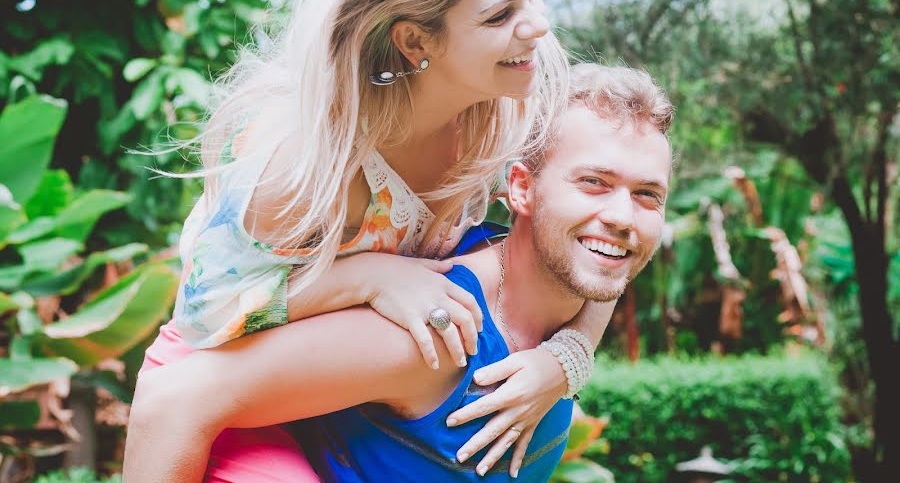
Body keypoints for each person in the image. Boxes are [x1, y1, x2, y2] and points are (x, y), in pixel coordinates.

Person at [127, 0, 618, 480]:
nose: (537, 26)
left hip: (348, 379)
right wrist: (369, 277)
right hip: (226, 376)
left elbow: (602, 241)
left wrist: (567, 358)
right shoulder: (302, 159)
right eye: (500, 15)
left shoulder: (517, 101)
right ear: (415, 40)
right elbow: (209, 310)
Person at [125, 63, 674, 482]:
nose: (623, 219)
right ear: (521, 189)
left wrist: (570, 355)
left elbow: (604, 268)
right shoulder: (435, 330)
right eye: (594, 183)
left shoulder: (573, 285)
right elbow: (174, 399)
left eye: (648, 195)